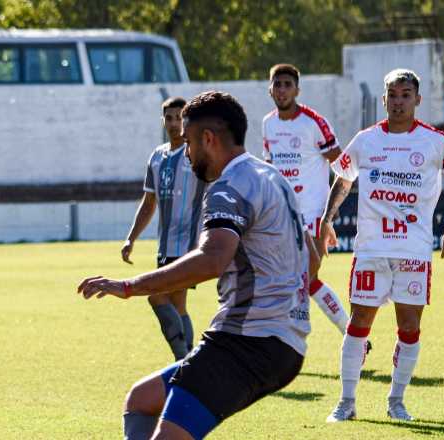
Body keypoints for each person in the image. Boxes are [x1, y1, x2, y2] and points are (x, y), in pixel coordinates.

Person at [78, 91, 317, 440]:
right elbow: (311, 258)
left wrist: (130, 287)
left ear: (208, 139)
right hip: (285, 343)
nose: (187, 153)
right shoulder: (273, 178)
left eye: (188, 142)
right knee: (142, 400)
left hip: (247, 343)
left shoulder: (228, 186)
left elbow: (212, 259)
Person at [322, 69, 444, 423]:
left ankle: (397, 400)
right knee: (359, 323)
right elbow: (343, 180)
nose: (399, 101)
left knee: (409, 327)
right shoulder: (366, 140)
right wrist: (327, 220)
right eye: (393, 94)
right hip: (371, 249)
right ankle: (346, 402)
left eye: (406, 94)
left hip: (414, 252)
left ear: (417, 100)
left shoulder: (435, 141)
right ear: (384, 98)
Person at [262, 63, 365, 344]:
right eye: (277, 84)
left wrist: (329, 216)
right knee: (305, 283)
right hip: (282, 217)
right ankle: (352, 336)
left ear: (297, 89)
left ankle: (288, 338)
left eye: (287, 84)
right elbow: (271, 169)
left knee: (306, 278)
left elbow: (344, 167)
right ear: (270, 88)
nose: (282, 90)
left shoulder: (313, 123)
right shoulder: (268, 124)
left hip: (313, 215)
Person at [122, 96, 206, 360]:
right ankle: (187, 363)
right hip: (165, 244)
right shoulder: (157, 157)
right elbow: (149, 203)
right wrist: (131, 238)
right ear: (163, 121)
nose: (174, 123)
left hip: (189, 244)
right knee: (177, 304)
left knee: (156, 296)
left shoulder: (196, 154)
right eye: (169, 118)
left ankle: (183, 362)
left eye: (179, 117)